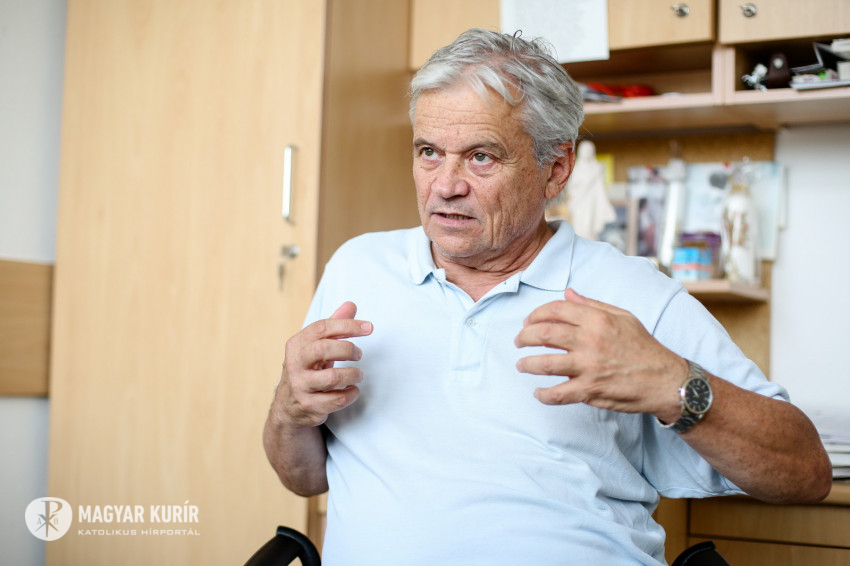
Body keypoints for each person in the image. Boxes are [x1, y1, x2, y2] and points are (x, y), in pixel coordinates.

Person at [263, 29, 831, 565]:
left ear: (555, 169)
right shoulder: (358, 268)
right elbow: (305, 478)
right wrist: (289, 408)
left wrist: (671, 383)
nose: (445, 185)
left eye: (481, 157)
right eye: (429, 151)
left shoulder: (632, 293)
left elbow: (806, 472)